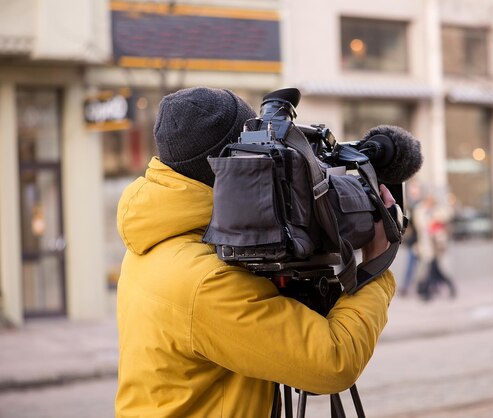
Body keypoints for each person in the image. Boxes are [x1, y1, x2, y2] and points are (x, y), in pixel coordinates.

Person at [114, 87, 397, 417]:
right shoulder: (205, 282)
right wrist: (376, 265)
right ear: (237, 166)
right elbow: (332, 362)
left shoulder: (156, 240)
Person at [414, 194, 456, 301]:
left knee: (432, 269)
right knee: (433, 269)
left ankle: (427, 293)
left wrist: (451, 204)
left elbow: (447, 215)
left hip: (437, 246)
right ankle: (448, 287)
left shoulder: (436, 211)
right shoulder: (420, 211)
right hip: (427, 245)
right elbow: (421, 226)